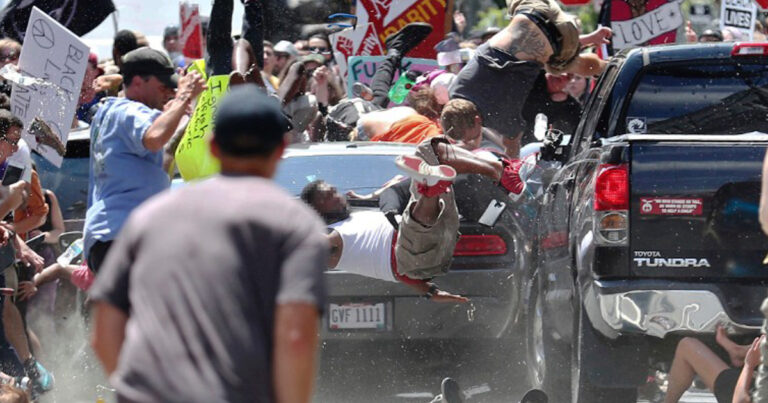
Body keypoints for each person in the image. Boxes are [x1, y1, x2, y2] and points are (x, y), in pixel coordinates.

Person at [90, 85, 327, 403]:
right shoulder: (295, 225)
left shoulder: (150, 217)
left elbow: (105, 331)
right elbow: (296, 336)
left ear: (213, 147)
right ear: (281, 150)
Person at [83, 47, 206, 274]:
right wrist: (183, 97)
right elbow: (154, 138)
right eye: (162, 87)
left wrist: (181, 113)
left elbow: (163, 153)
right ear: (138, 82)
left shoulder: (109, 112)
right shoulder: (129, 111)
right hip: (123, 236)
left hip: (113, 237)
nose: (166, 93)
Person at [450, 0, 612, 158]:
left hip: (563, 36)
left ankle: (612, 68)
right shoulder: (457, 89)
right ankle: (602, 57)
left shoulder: (500, 117)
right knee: (553, 62)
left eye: (470, 137)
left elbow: (513, 157)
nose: (471, 141)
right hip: (534, 7)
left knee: (558, 64)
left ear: (477, 120)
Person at [664, 326, 763, 403]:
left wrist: (749, 366)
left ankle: (740, 352)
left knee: (686, 346)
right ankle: (740, 352)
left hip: (750, 391)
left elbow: (739, 400)